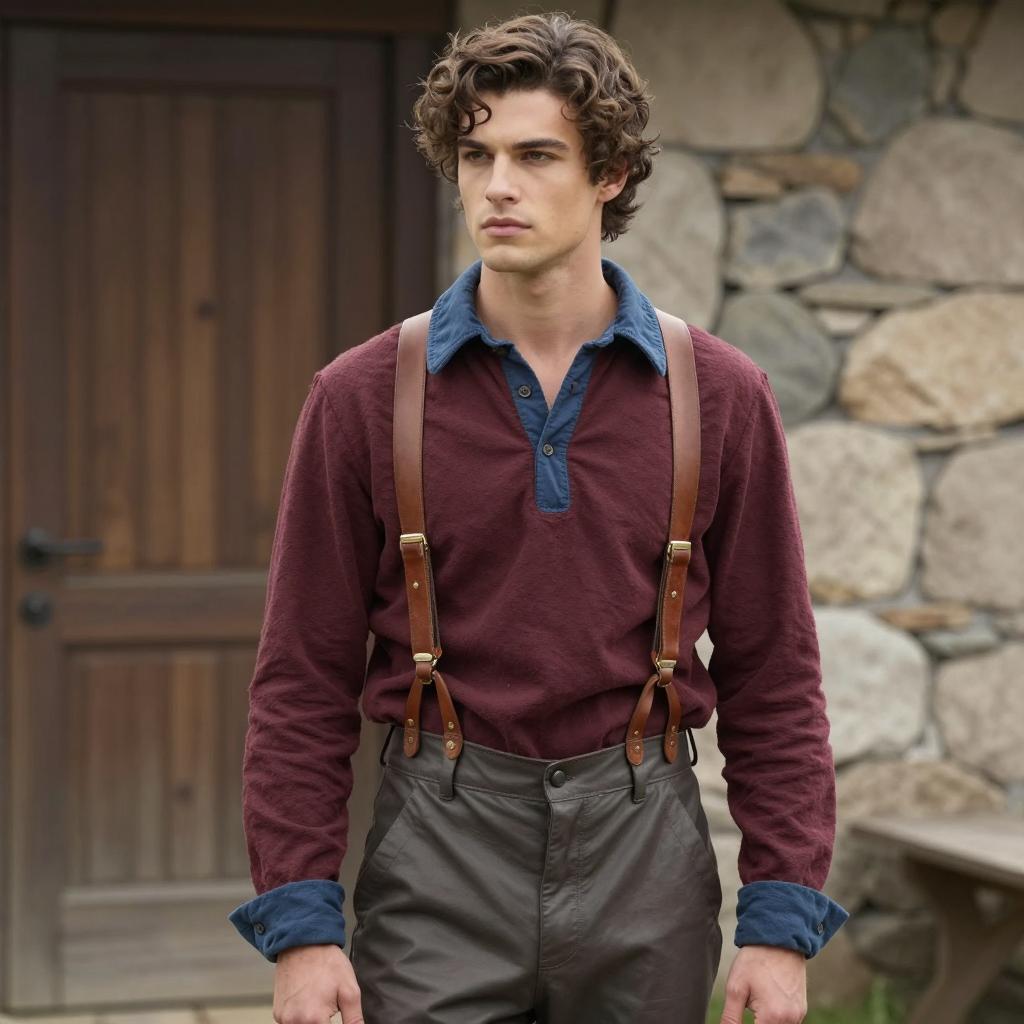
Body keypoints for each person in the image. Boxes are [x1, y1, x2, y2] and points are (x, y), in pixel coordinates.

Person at [229, 12, 848, 1024]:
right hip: (438, 848)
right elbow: (301, 676)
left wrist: (780, 921)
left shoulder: (721, 395)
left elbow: (775, 670)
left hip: (644, 852)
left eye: (535, 155)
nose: (497, 186)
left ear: (610, 172)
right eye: (475, 156)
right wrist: (301, 926)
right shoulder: (362, 396)